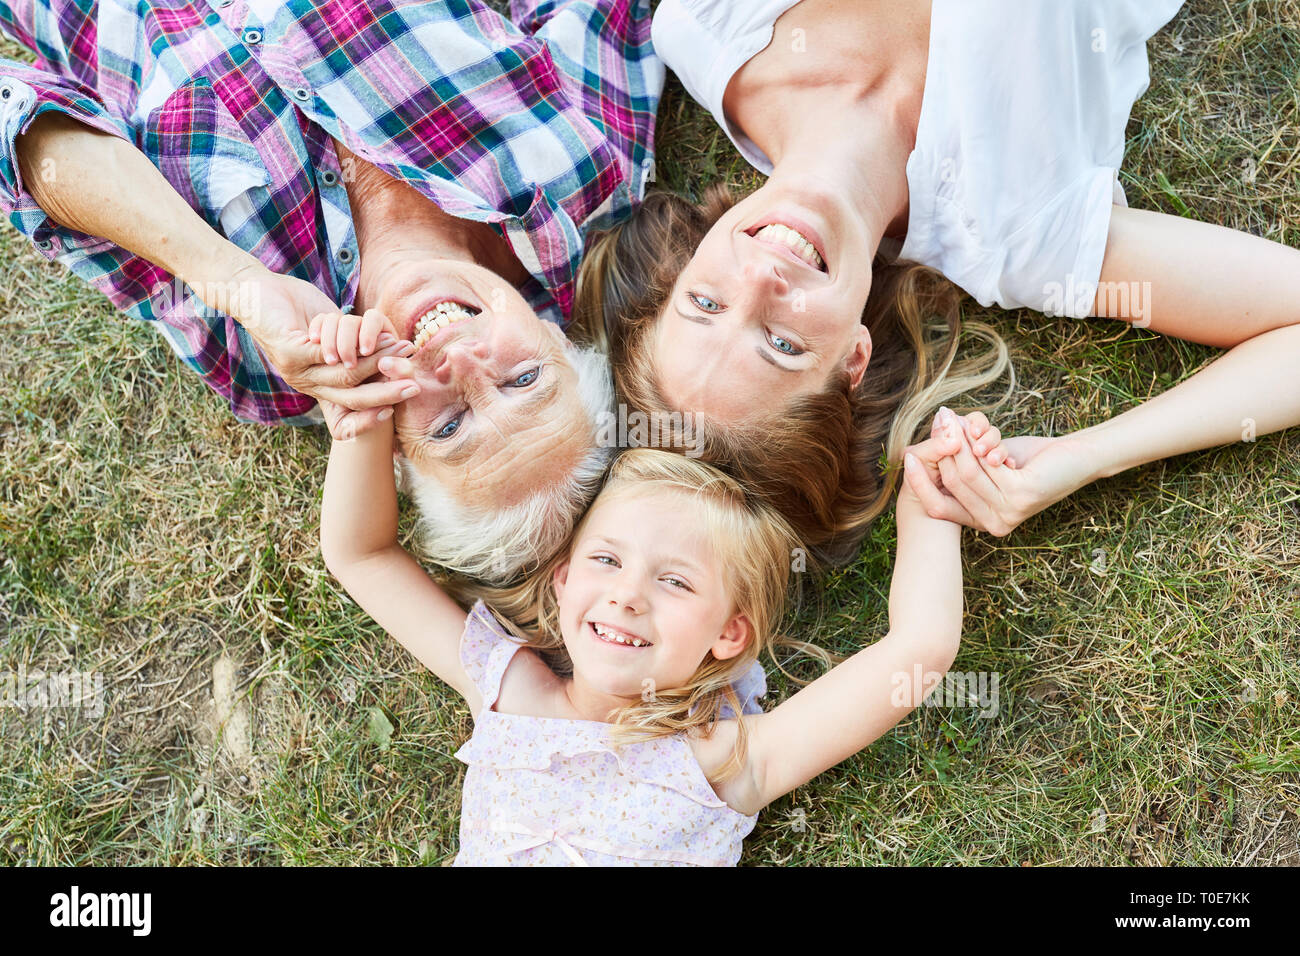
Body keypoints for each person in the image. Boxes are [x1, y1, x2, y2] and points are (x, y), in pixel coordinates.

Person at [577, 0, 1300, 559]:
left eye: (705, 304)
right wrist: (1085, 457)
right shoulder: (1012, 232)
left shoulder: (704, 28)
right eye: (782, 343)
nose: (764, 277)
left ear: (677, 273)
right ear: (852, 359)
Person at [0, 0, 663, 582]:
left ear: (395, 456)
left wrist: (235, 278)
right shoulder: (582, 172)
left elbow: (21, 123)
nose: (460, 363)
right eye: (523, 380)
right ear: (554, 335)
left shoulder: (268, 361)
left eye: (451, 425)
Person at [321, 375, 965, 862]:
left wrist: (928, 507)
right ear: (565, 578)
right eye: (607, 560)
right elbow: (363, 556)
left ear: (727, 634)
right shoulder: (505, 688)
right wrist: (361, 420)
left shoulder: (726, 759)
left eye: (676, 581)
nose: (629, 595)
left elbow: (920, 652)